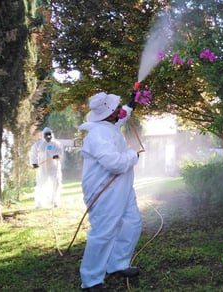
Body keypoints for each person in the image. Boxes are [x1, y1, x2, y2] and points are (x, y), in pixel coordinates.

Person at [78, 92, 141, 292]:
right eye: (116, 108)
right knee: (103, 232)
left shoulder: (109, 125)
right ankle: (91, 280)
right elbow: (115, 164)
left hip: (121, 188)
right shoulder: (98, 135)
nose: (119, 109)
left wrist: (132, 104)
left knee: (132, 223)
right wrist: (133, 154)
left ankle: (117, 264)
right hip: (104, 191)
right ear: (109, 113)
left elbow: (121, 118)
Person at [29, 127, 63, 208]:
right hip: (42, 168)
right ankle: (39, 203)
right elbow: (32, 153)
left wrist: (58, 156)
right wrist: (34, 163)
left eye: (49, 134)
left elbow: (60, 152)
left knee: (56, 183)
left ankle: (54, 201)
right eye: (46, 135)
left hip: (54, 168)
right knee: (41, 184)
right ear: (43, 135)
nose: (48, 136)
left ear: (52, 135)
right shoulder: (39, 144)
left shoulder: (56, 144)